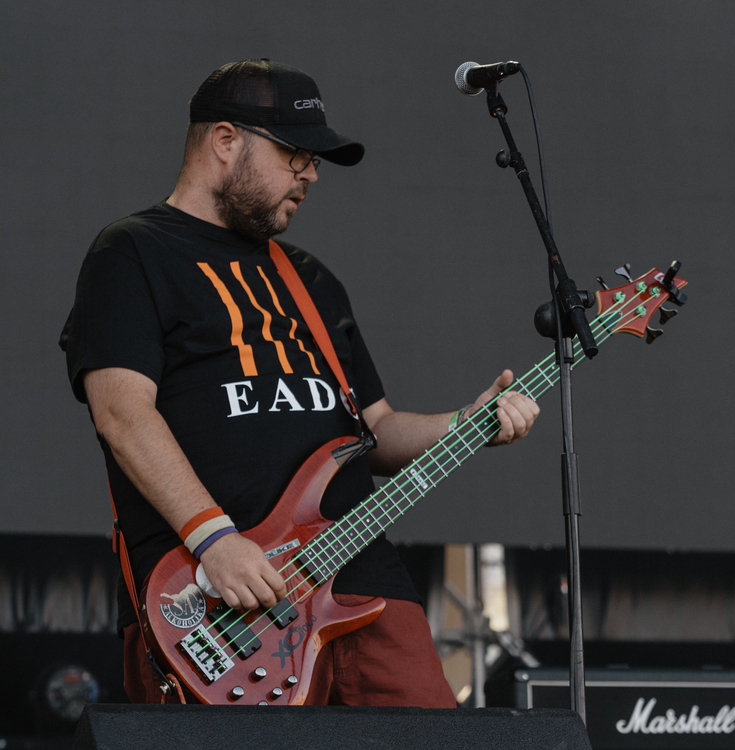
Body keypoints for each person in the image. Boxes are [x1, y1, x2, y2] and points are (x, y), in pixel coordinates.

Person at [59, 59, 539, 706]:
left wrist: (469, 423)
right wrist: (216, 541)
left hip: (361, 584)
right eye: (294, 153)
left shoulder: (311, 279)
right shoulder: (132, 253)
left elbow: (377, 432)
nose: (311, 173)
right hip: (214, 598)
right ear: (225, 142)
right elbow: (121, 415)